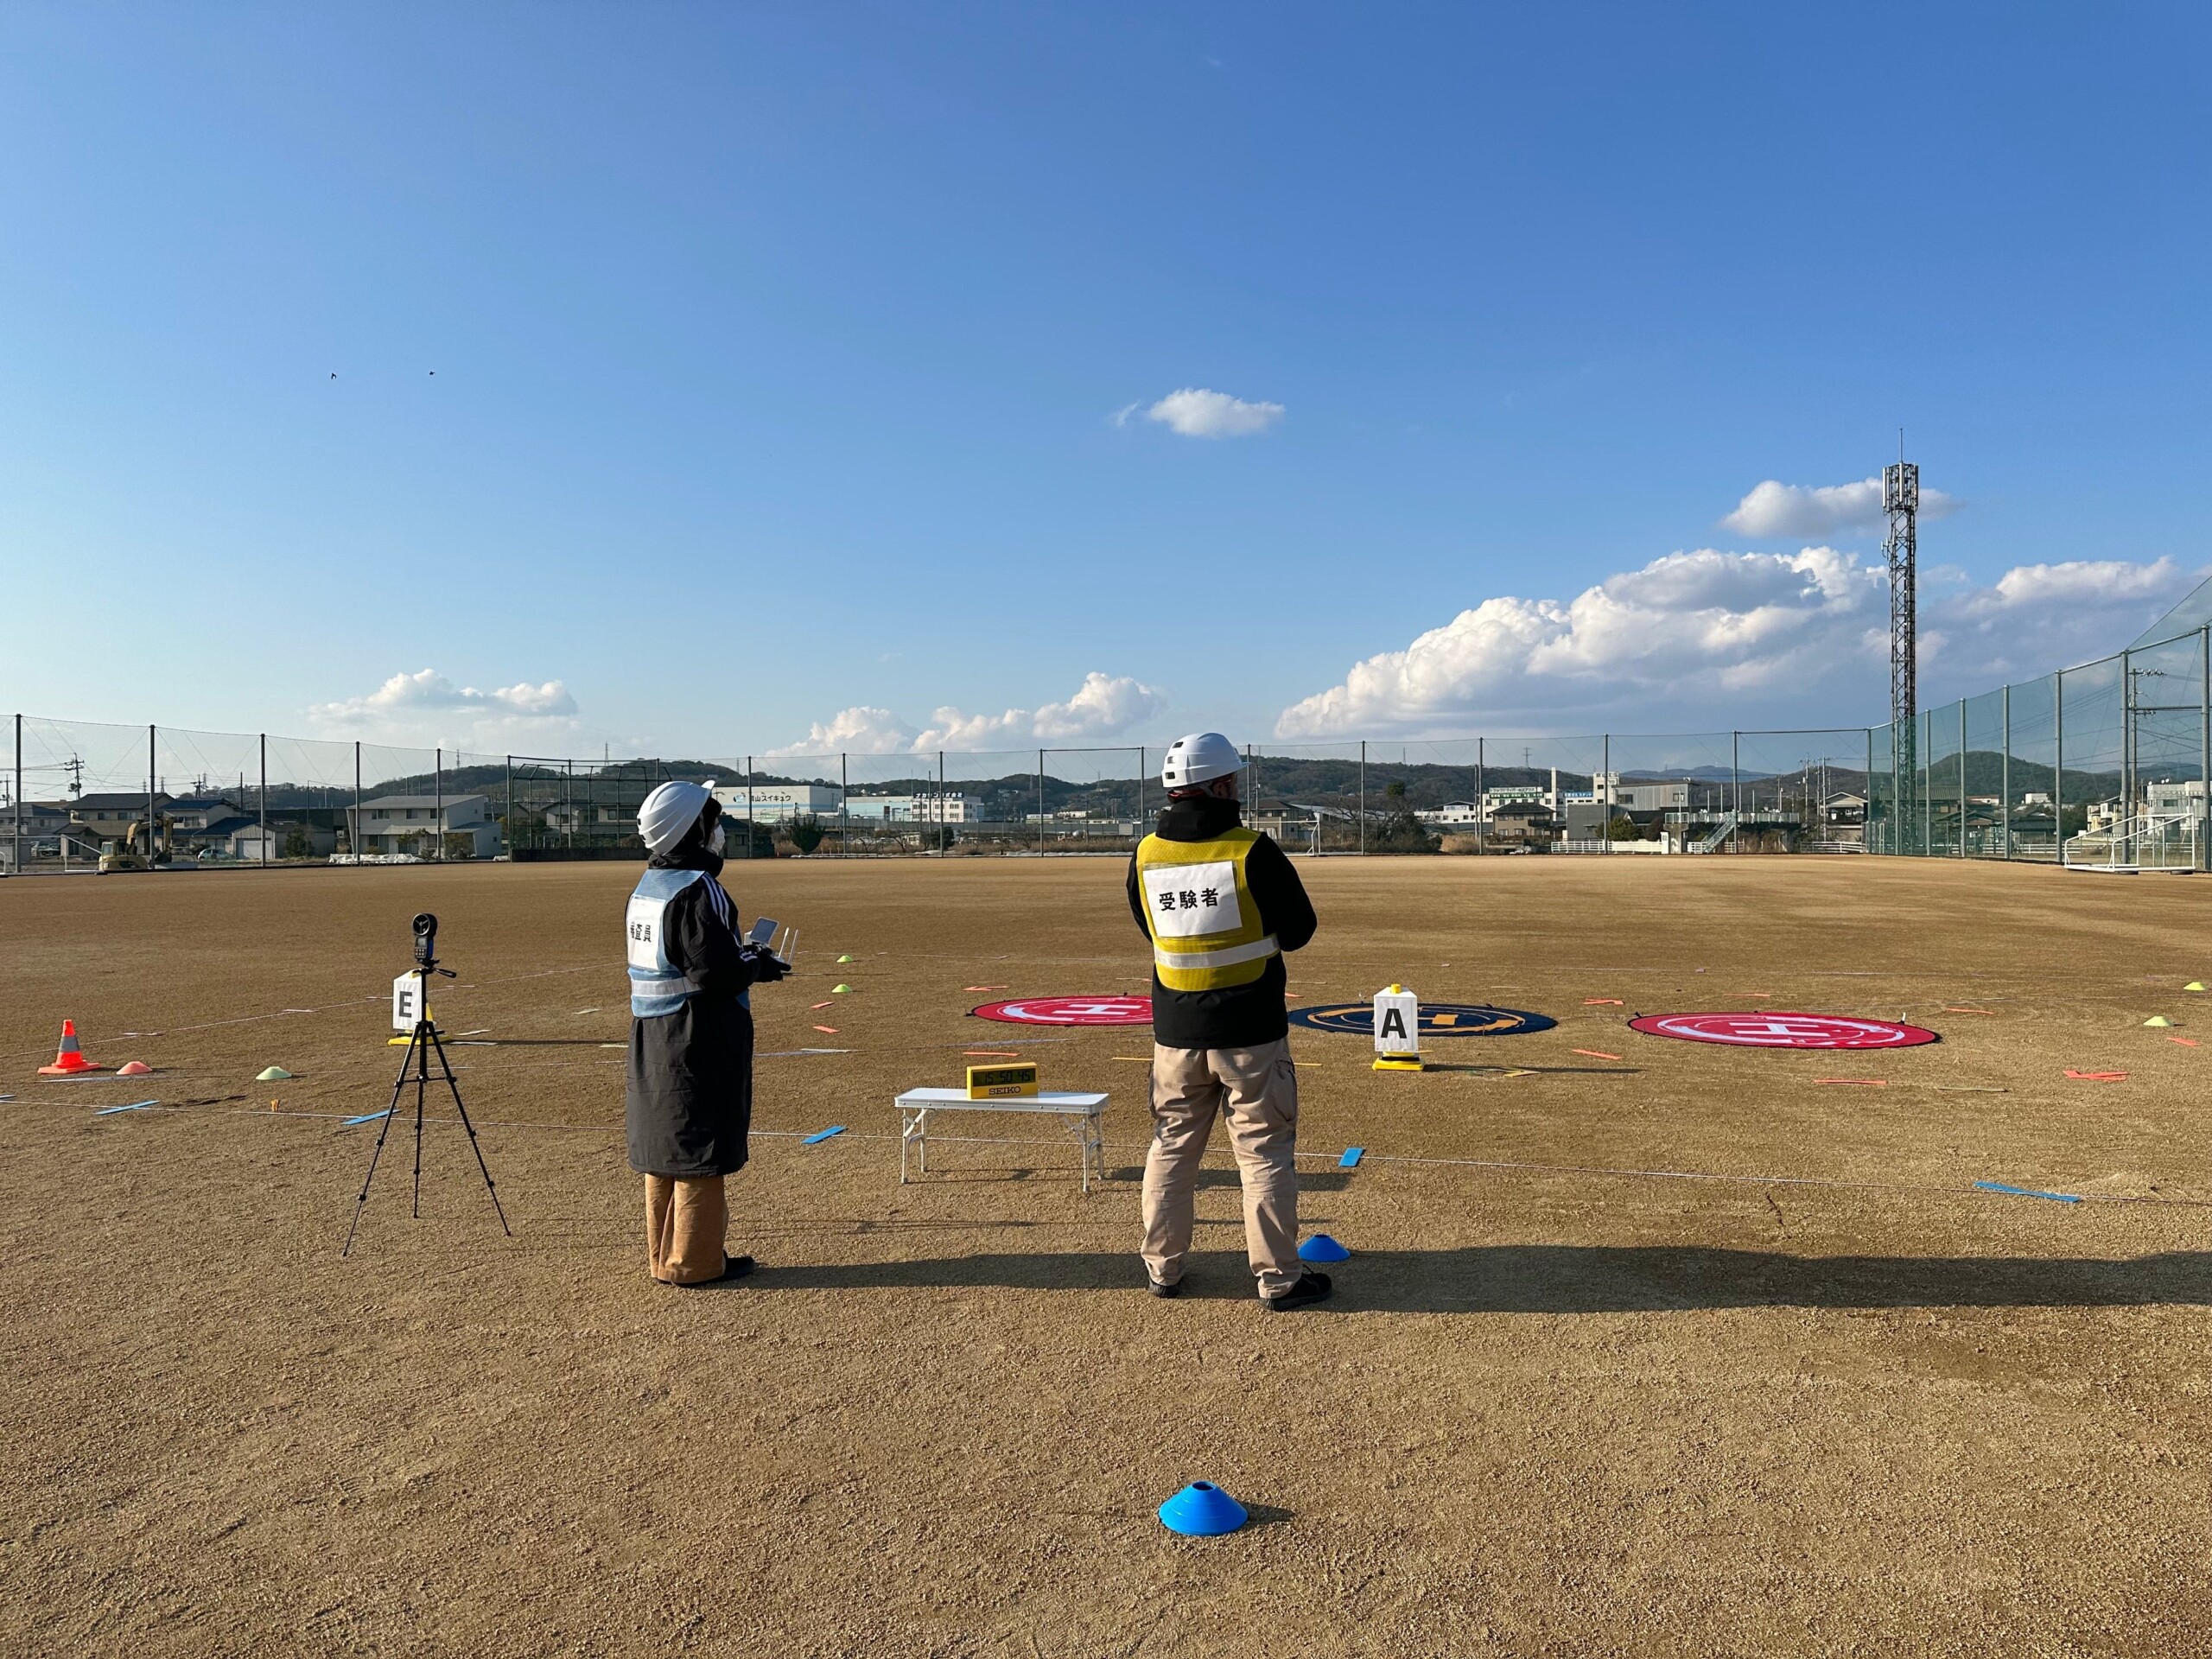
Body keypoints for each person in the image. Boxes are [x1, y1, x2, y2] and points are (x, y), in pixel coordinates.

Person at [1127, 732, 1327, 1311]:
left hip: (1175, 1033)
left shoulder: (1144, 853)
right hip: (1252, 1033)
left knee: (1171, 1150)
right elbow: (1299, 931)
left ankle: (1162, 1270)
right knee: (1263, 1155)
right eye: (1233, 780)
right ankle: (1278, 1280)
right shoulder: (1252, 849)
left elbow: (1150, 927)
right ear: (1221, 786)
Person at [625, 780, 788, 1286]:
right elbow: (713, 972)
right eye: (713, 823)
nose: (719, 832)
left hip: (653, 1032)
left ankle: (664, 1255)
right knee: (699, 1145)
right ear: (694, 830)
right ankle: (695, 1262)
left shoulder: (646, 888)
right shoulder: (699, 889)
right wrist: (757, 965)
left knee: (665, 1144)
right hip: (698, 1034)